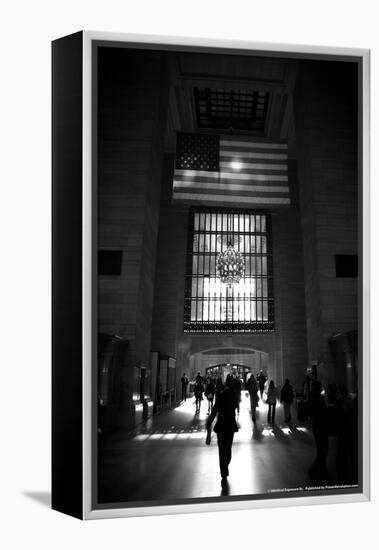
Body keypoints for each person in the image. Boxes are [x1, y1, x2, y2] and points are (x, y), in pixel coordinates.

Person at [206, 374, 239, 487]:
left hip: (221, 426)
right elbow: (235, 406)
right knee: (228, 448)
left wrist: (209, 422)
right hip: (229, 426)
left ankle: (224, 471)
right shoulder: (233, 397)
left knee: (221, 449)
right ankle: (225, 467)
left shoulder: (221, 396)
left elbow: (214, 410)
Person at [308, 380, 329, 483]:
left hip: (317, 426)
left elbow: (312, 413)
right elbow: (322, 413)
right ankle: (315, 471)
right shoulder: (319, 399)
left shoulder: (313, 398)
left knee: (322, 450)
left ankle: (322, 471)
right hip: (321, 427)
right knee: (323, 450)